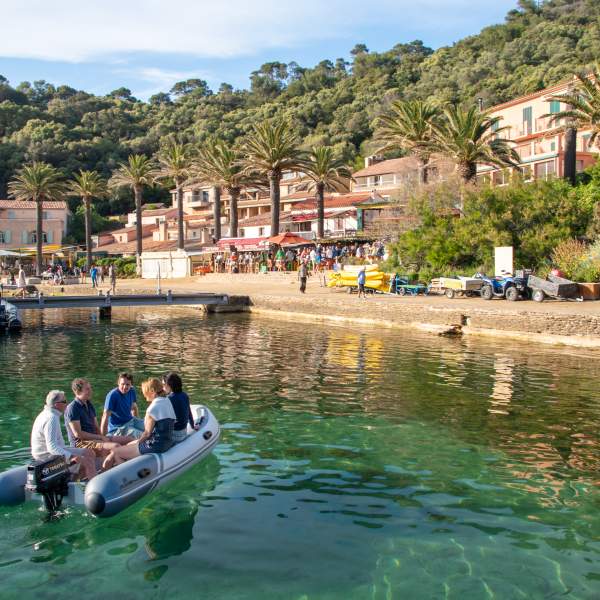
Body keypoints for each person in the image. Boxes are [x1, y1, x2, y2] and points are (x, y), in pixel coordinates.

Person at [104, 378, 176, 467]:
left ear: (152, 391)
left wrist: (138, 443)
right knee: (129, 445)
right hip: (167, 442)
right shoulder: (167, 401)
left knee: (115, 452)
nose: (144, 395)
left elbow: (146, 434)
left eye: (145, 392)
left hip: (155, 445)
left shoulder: (152, 408)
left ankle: (128, 475)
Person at [30, 390, 96, 481]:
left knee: (89, 452)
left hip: (52, 454)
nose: (67, 403)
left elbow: (55, 446)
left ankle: (73, 482)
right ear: (57, 405)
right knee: (86, 462)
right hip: (47, 458)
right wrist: (71, 456)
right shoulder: (51, 418)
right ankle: (92, 488)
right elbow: (52, 448)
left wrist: (71, 455)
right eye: (64, 402)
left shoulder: (47, 414)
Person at [65, 378, 132, 461]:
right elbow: (78, 434)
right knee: (116, 446)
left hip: (95, 438)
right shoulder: (73, 408)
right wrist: (100, 438)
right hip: (81, 443)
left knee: (129, 439)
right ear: (78, 392)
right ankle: (112, 469)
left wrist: (103, 437)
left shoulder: (89, 404)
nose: (90, 391)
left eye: (90, 388)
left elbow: (96, 426)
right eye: (87, 389)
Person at [101, 372, 144, 438]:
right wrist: (103, 438)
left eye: (127, 384)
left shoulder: (132, 391)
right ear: (118, 383)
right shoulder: (112, 395)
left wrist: (136, 421)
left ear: (131, 385)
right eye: (122, 384)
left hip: (131, 421)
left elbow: (134, 407)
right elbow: (105, 416)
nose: (125, 387)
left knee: (151, 427)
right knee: (143, 435)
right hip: (118, 428)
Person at [163, 372, 197, 443]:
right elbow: (189, 413)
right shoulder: (185, 395)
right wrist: (193, 426)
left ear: (169, 386)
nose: (163, 387)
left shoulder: (168, 399)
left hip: (174, 435)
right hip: (183, 432)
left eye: (164, 384)